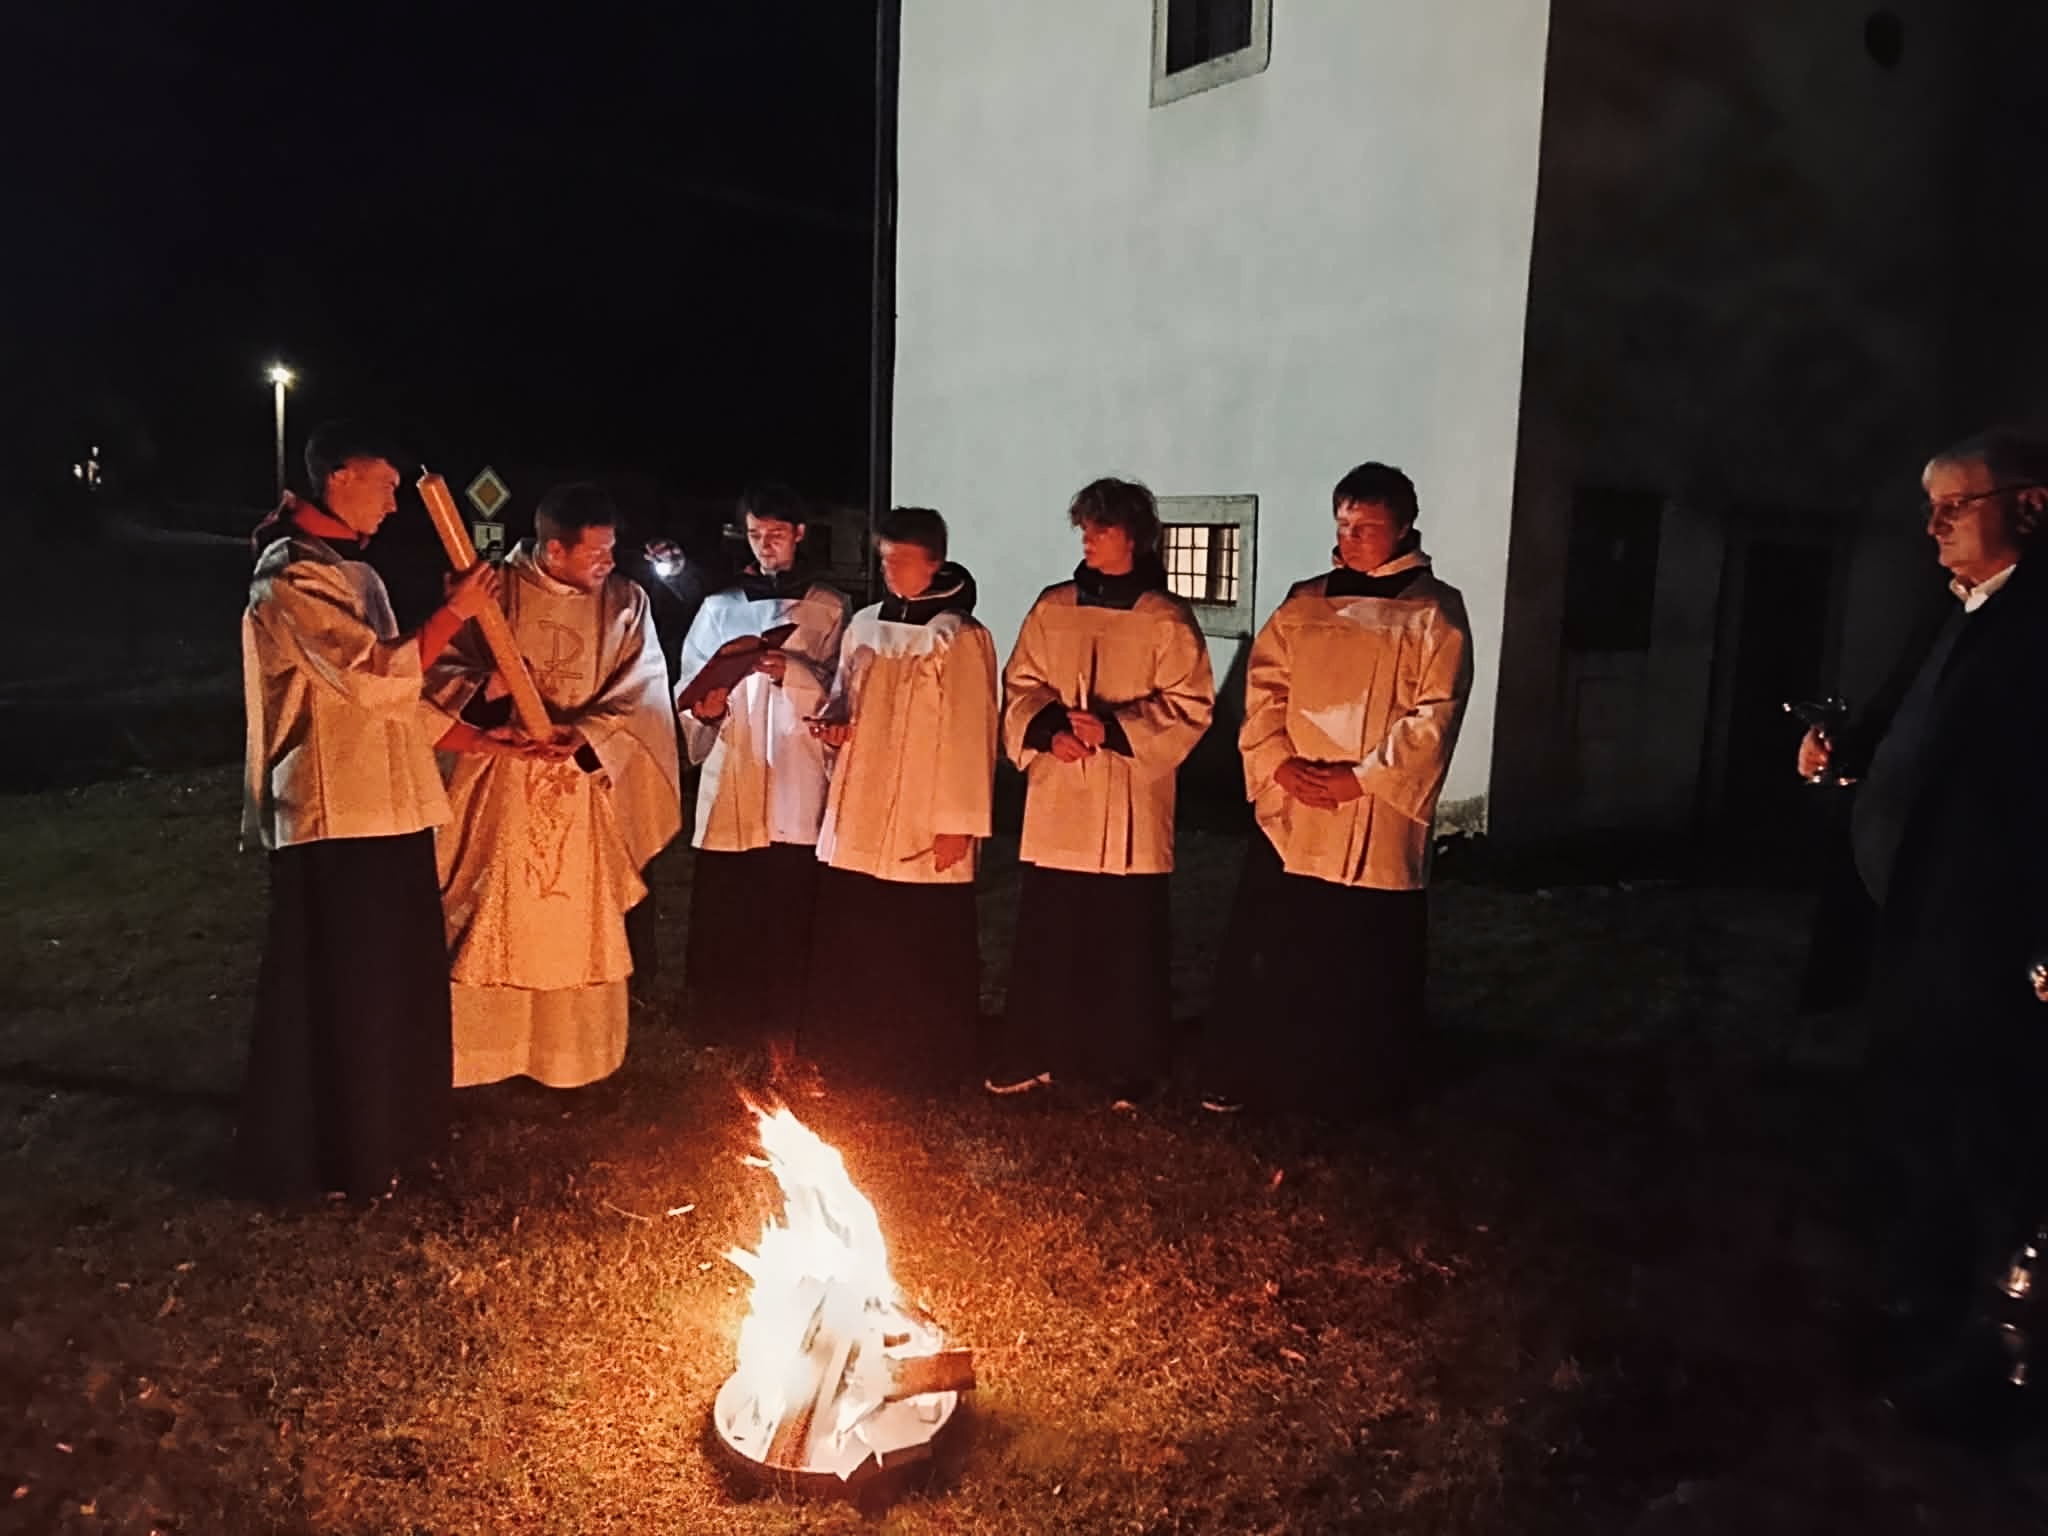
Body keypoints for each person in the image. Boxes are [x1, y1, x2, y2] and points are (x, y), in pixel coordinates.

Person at [1793, 430, 2048, 1424]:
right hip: (1914, 927)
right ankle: (1918, 1312)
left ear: (2030, 505)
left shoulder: (2035, 627)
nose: (1933, 527)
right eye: (1929, 508)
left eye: (1955, 505)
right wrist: (1843, 754)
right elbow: (1908, 725)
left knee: (1993, 1147)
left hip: (1993, 940)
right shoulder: (1952, 611)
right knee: (1918, 1131)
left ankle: (1996, 1362)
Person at [237, 419, 498, 1200]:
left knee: (397, 984)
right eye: (384, 486)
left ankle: (397, 1138)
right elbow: (372, 676)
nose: (391, 504)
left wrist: (493, 742)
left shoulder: (357, 573)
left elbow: (403, 698)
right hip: (334, 812)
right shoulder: (290, 574)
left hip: (392, 811)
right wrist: (454, 613)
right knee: (344, 988)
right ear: (339, 476)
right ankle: (333, 1153)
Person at [1199, 462, 1472, 1119]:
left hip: (1373, 813)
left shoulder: (1433, 612)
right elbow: (1264, 690)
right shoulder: (1305, 602)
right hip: (1294, 808)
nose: (1350, 539)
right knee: (1277, 947)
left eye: (1366, 528)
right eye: (1343, 525)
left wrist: (1362, 777)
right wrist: (1278, 763)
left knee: (1362, 958)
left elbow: (1435, 714)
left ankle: (1357, 1089)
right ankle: (1258, 1072)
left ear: (1404, 527)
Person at [427, 483, 681, 1092]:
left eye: (611, 550)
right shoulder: (493, 592)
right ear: (554, 549)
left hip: (584, 783)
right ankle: (484, 1055)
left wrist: (586, 733)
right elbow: (436, 675)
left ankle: (573, 1058)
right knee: (495, 910)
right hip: (501, 782)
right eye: (596, 553)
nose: (608, 564)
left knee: (575, 920)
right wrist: (485, 690)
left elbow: (644, 692)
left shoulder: (625, 602)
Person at [985, 478, 1214, 1103]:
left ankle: (1127, 1067)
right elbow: (1021, 683)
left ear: (1134, 537)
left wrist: (1114, 729)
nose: (1087, 537)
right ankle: (1037, 1051)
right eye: (1084, 527)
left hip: (1128, 800)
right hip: (1062, 796)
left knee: (1125, 941)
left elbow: (1191, 706)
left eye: (1101, 527)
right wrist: (1050, 730)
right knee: (1051, 933)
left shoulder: (1164, 618)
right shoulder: (1053, 607)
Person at [804, 507, 998, 1091]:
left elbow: (972, 733)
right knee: (858, 934)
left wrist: (959, 822)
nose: (890, 571)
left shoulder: (958, 636)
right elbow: (845, 696)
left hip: (924, 810)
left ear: (935, 563)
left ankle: (923, 1062)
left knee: (919, 942)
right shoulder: (864, 626)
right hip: (861, 805)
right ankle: (852, 1053)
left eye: (903, 561)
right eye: (885, 560)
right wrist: (835, 725)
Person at [673, 484, 849, 1072]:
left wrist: (790, 671)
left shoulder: (828, 606)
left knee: (791, 900)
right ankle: (724, 1018)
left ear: (799, 534)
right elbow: (690, 684)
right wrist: (707, 709)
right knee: (733, 900)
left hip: (798, 767)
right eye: (755, 534)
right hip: (737, 763)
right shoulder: (719, 607)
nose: (765, 545)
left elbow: (845, 689)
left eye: (776, 533)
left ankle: (790, 1016)